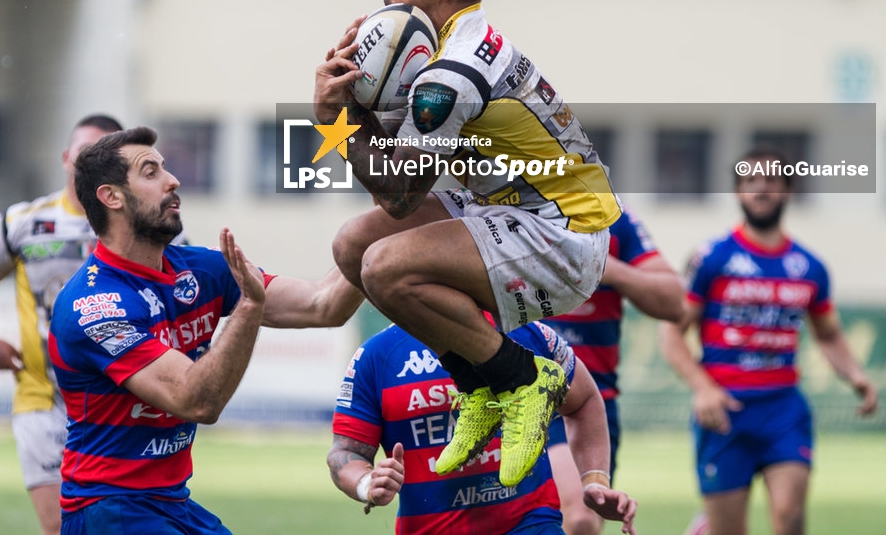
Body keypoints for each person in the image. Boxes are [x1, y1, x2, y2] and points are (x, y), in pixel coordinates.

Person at [313, 0, 621, 489]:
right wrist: (354, 103)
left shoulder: (447, 79)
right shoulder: (432, 47)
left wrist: (337, 117)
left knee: (383, 268)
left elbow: (399, 195)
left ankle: (522, 380)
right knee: (354, 247)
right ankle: (481, 382)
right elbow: (391, 181)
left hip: (563, 231)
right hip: (503, 202)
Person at [48, 126, 362, 535]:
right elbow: (197, 401)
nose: (172, 179)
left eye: (164, 168)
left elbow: (324, 304)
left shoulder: (200, 268)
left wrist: (383, 226)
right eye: (150, 172)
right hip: (109, 508)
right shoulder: (93, 305)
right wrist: (249, 307)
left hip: (171, 502)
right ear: (112, 197)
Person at [658, 146, 878, 535]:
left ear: (787, 190)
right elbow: (672, 332)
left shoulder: (809, 267)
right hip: (725, 411)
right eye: (750, 182)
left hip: (783, 410)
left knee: (790, 519)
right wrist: (702, 388)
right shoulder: (712, 257)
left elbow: (828, 335)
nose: (761, 189)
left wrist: (855, 375)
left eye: (771, 181)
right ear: (738, 192)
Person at [0, 113, 123, 535]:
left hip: (118, 403)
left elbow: (185, 288)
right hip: (43, 400)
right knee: (62, 528)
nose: (89, 164)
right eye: (84, 153)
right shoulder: (24, 222)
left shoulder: (141, 227)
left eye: (103, 156)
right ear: (66, 158)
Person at [328, 317, 638, 534]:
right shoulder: (377, 355)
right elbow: (344, 452)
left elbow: (584, 401)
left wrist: (594, 480)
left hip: (530, 525)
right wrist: (367, 483)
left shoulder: (526, 333)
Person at [543, 207, 684, 535]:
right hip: (518, 392)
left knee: (585, 521)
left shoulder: (614, 219)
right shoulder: (503, 202)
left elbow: (675, 301)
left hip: (592, 401)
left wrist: (605, 267)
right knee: (572, 517)